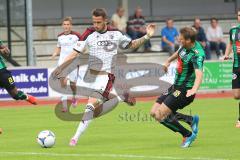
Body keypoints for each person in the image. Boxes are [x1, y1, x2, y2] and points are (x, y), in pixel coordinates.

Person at [54, 8, 156, 146]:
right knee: (93, 112)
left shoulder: (115, 33)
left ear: (105, 21)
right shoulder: (88, 33)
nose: (95, 25)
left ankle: (74, 138)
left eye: (98, 22)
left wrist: (147, 36)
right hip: (90, 77)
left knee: (89, 106)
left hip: (106, 76)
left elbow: (131, 44)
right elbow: (75, 52)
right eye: (94, 22)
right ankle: (120, 97)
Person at [150, 27, 205, 148]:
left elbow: (199, 74)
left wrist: (194, 89)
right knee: (153, 112)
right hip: (175, 86)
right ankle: (189, 120)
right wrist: (168, 60)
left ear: (189, 40)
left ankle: (187, 134)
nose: (178, 39)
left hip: (185, 90)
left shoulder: (197, 55)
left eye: (181, 38)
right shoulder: (185, 46)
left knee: (160, 115)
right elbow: (179, 52)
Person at [51, 17, 81, 112]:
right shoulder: (60, 36)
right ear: (62, 25)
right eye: (65, 24)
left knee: (73, 84)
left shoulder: (77, 36)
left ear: (71, 25)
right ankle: (64, 105)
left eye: (68, 24)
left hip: (73, 62)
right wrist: (55, 53)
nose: (66, 26)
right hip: (62, 62)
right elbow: (58, 47)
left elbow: (82, 46)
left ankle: (74, 97)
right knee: (62, 83)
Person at [0, 40, 37, 105]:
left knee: (15, 95)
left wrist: (6, 50)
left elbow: (4, 49)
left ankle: (26, 97)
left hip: (2, 71)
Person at [223, 10, 240, 128]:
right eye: (239, 15)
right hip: (236, 66)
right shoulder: (233, 30)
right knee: (236, 95)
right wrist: (226, 54)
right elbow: (230, 43)